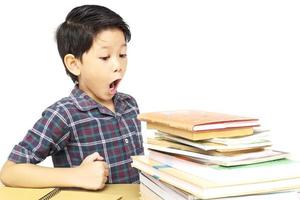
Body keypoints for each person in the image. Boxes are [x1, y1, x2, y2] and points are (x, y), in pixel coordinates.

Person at [0, 4, 143, 190]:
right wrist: (76, 175)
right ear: (74, 64)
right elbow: (11, 172)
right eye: (105, 57)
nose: (118, 65)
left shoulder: (129, 104)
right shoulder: (64, 114)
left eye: (122, 54)